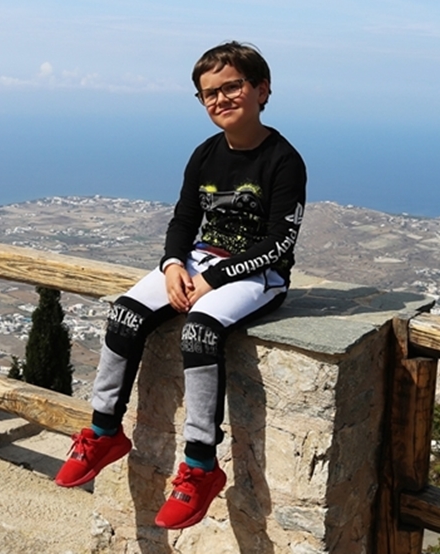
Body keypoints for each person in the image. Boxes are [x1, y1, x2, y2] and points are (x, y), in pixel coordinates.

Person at [55, 41, 306, 530]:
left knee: (201, 331)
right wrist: (173, 265)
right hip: (197, 262)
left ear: (262, 90)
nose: (220, 99)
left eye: (232, 87)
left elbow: (280, 241)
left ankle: (200, 466)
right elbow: (184, 219)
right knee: (125, 313)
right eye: (209, 93)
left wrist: (212, 278)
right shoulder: (205, 154)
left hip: (260, 274)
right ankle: (104, 432)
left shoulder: (283, 160)